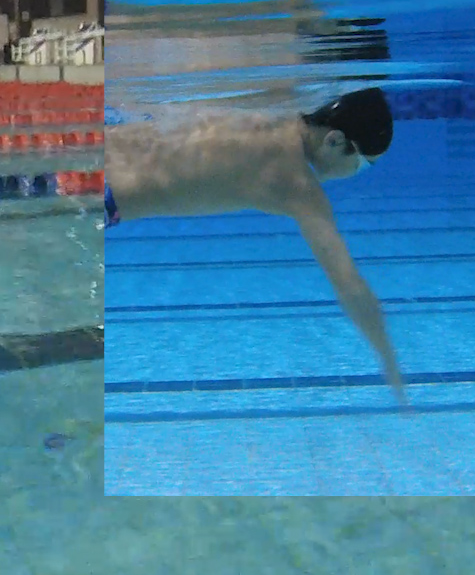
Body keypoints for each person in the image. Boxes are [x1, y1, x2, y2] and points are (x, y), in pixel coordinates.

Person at [105, 88, 404, 402]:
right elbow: (351, 287)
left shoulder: (273, 111)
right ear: (335, 141)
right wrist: (389, 359)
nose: (356, 173)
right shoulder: (297, 185)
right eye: (363, 164)